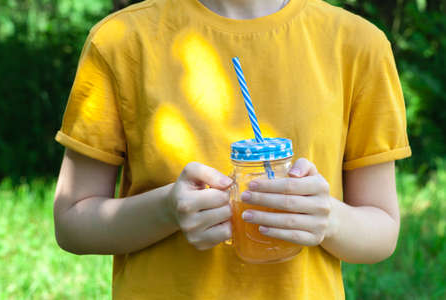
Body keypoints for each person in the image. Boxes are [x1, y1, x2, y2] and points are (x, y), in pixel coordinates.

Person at [53, 0, 411, 299]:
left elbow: (382, 232)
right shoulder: (122, 40)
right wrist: (167, 210)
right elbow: (71, 223)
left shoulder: (357, 45)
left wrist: (327, 217)